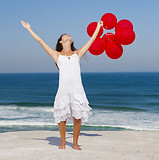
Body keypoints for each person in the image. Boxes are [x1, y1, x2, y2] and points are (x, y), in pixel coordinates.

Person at [21, 20, 103, 150]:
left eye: (68, 35)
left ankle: (75, 143)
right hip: (63, 90)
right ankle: (63, 142)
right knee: (62, 118)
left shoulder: (78, 53)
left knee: (78, 118)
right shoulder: (56, 55)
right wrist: (29, 29)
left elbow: (92, 40)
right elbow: (40, 41)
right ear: (61, 41)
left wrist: (98, 27)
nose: (67, 35)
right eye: (65, 35)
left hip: (77, 90)